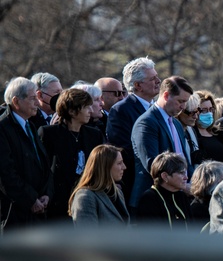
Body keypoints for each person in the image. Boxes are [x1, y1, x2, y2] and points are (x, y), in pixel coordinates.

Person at [38, 88, 103, 220]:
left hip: (86, 199)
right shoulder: (49, 134)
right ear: (72, 111)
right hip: (58, 202)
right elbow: (43, 168)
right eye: (86, 107)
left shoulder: (94, 135)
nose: (90, 111)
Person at [130, 76, 193, 209]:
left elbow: (184, 159)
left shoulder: (175, 123)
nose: (183, 107)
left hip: (177, 198)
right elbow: (153, 164)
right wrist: (182, 185)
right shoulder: (146, 123)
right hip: (152, 202)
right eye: (180, 101)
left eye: (185, 102)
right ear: (166, 95)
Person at [0, 77, 53, 228]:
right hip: (15, 214)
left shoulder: (30, 125)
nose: (37, 103)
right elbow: (5, 173)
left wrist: (46, 194)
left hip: (38, 210)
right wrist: (31, 200)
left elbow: (44, 163)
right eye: (32, 99)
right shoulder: (3, 129)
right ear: (16, 101)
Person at [106, 58, 160, 204]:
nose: (158, 81)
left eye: (157, 77)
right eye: (152, 78)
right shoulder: (121, 110)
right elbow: (123, 149)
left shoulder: (158, 109)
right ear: (137, 85)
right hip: (137, 184)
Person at [68, 144, 129, 226]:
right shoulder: (85, 197)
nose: (124, 167)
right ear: (105, 167)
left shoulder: (117, 192)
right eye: (119, 163)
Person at [136, 151, 191, 227]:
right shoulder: (149, 199)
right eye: (181, 173)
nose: (186, 177)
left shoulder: (182, 196)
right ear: (165, 176)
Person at [190, 90, 223, 168]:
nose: (209, 113)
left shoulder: (220, 134)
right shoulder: (190, 134)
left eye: (210, 109)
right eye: (204, 110)